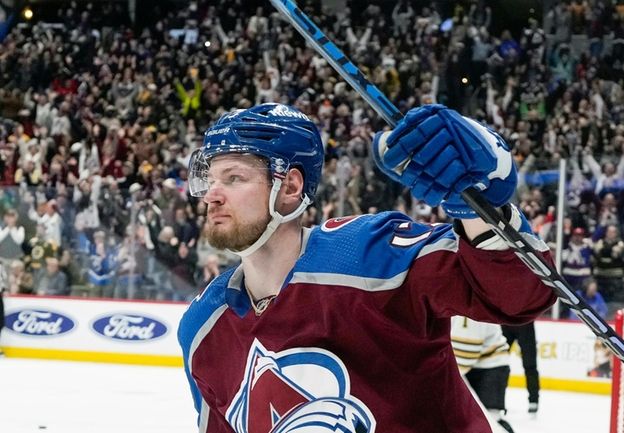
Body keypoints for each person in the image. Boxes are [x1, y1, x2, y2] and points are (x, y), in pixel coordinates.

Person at [177, 103, 555, 433]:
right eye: (210, 179)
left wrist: (480, 208)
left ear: (290, 187)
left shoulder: (369, 256)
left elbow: (517, 297)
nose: (212, 193)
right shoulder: (202, 326)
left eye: (234, 178)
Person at [451, 316, 515, 433]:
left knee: (490, 420)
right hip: (475, 367)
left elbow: (465, 354)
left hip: (491, 368)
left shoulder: (468, 316)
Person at [501, 322, 540, 416]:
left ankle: (533, 400)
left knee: (530, 365)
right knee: (499, 364)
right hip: (506, 321)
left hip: (524, 323)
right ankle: (498, 401)